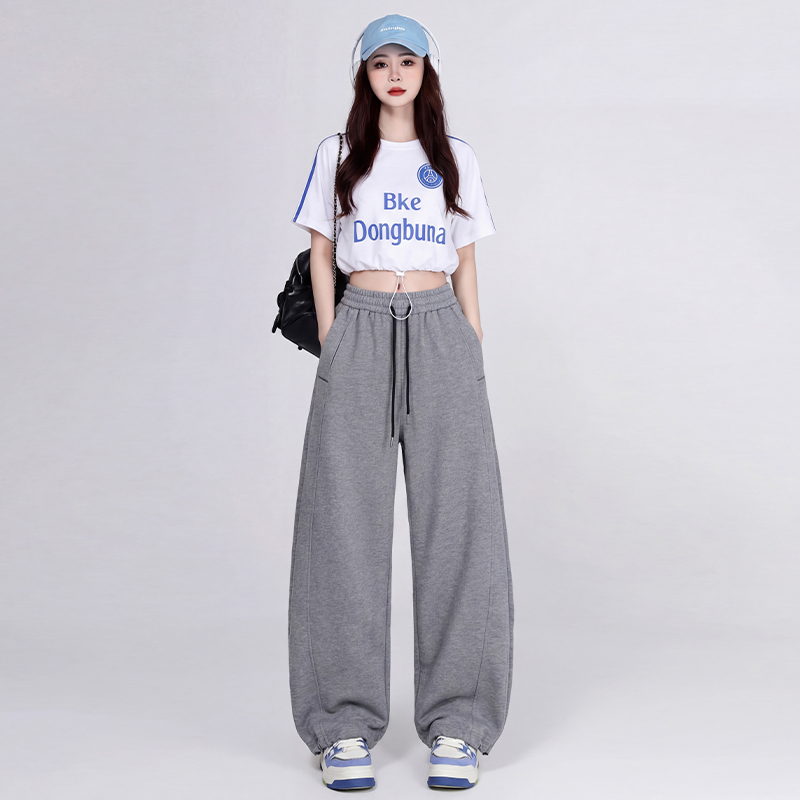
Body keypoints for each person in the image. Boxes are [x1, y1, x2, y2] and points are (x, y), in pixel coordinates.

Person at [288, 13, 514, 791]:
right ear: (364, 73)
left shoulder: (455, 157)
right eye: (380, 62)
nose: (394, 74)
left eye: (406, 62)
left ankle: (460, 723)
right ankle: (341, 725)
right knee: (341, 525)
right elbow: (322, 250)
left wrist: (471, 341)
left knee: (461, 524)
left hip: (442, 327)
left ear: (426, 72)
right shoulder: (337, 154)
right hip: (359, 324)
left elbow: (467, 260)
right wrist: (333, 336)